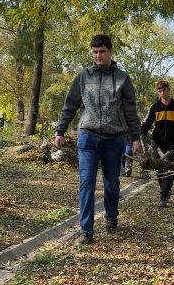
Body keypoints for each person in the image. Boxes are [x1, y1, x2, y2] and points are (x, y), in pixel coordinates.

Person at [55, 34, 142, 245]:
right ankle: (86, 229)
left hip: (113, 139)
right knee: (86, 183)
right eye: (94, 52)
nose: (98, 56)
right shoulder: (83, 77)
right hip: (87, 136)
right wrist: (60, 130)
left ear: (110, 52)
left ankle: (111, 215)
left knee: (112, 183)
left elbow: (130, 109)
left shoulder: (122, 78)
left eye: (102, 51)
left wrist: (136, 137)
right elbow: (71, 104)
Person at [140, 80, 174, 207]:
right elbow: (147, 122)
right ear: (158, 92)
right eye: (160, 91)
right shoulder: (155, 107)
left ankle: (163, 195)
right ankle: (165, 192)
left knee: (169, 169)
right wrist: (142, 133)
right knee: (159, 170)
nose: (162, 93)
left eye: (164, 90)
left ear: (169, 90)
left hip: (173, 144)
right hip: (158, 143)